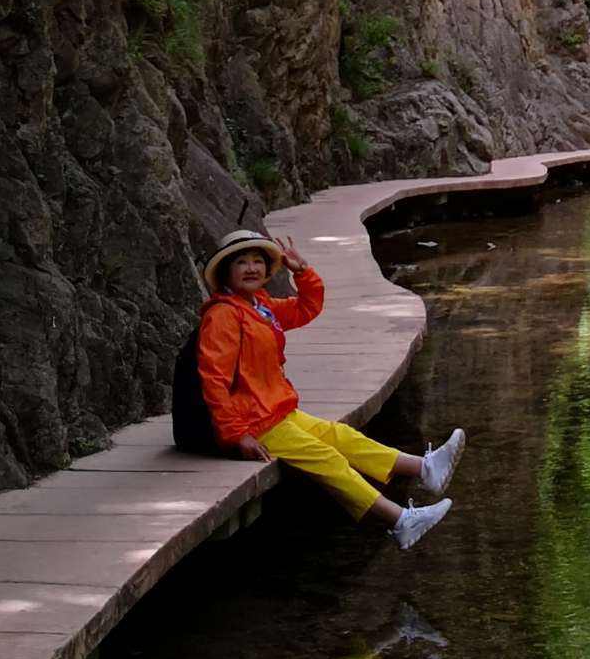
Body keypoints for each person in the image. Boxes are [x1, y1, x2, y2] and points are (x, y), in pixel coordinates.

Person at [196, 229, 463, 548]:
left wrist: (303, 271)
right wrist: (236, 434)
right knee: (327, 459)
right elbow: (213, 378)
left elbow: (306, 308)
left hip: (278, 411)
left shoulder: (259, 306)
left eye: (258, 261)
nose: (252, 268)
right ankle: (401, 521)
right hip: (255, 422)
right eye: (241, 262)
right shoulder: (223, 315)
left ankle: (424, 468)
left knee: (342, 436)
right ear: (226, 271)